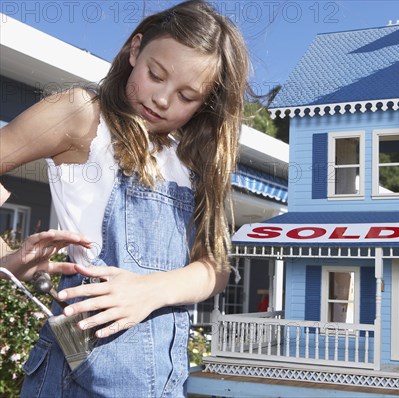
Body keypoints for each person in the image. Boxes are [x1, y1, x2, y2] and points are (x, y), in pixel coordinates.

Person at [0, 0, 248, 396]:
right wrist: (6, 260)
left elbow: (214, 268)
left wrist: (152, 291)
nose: (163, 99)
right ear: (135, 50)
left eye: (186, 96)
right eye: (155, 74)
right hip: (78, 378)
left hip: (161, 385)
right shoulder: (84, 117)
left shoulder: (192, 159)